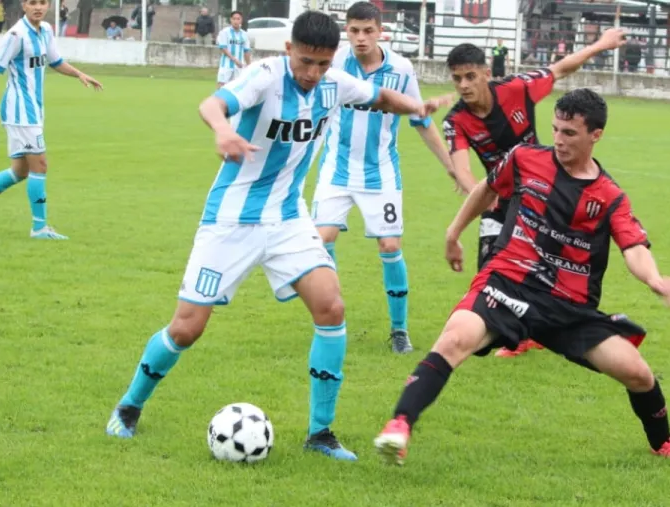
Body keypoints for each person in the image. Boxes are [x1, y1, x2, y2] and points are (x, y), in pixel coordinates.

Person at [104, 10, 449, 462]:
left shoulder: (334, 82)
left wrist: (416, 107)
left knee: (331, 307)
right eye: (305, 61)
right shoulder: (264, 76)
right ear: (289, 49)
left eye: (322, 64)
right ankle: (129, 406)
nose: (313, 73)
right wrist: (223, 131)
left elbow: (380, 96)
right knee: (187, 328)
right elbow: (212, 105)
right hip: (231, 220)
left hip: (288, 219)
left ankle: (320, 434)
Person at [374, 88, 670, 468]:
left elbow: (633, 247)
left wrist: (654, 279)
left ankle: (663, 442)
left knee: (637, 373)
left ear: (595, 135)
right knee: (454, 339)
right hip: (508, 282)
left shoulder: (609, 196)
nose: (559, 140)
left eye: (570, 133)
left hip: (567, 306)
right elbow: (486, 188)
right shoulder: (525, 158)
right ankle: (399, 425)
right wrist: (453, 233)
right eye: (556, 129)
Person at [440, 28, 625, 357]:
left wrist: (602, 44)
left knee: (546, 266)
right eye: (457, 79)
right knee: (489, 271)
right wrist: (485, 196)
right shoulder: (455, 121)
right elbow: (462, 170)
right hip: (497, 198)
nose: (464, 85)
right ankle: (505, 330)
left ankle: (532, 334)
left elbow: (561, 68)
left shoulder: (517, 89)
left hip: (542, 193)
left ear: (486, 73)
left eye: (470, 76)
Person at [312, 2, 459, 354]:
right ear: (346, 31)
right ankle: (332, 316)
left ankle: (399, 329)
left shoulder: (401, 69)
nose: (360, 38)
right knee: (321, 240)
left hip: (381, 173)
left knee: (390, 246)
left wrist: (450, 165)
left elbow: (420, 119)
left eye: (368, 31)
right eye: (354, 30)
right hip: (337, 169)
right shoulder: (334, 62)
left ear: (381, 32)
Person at [0, 0, 103, 239]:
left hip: (34, 109)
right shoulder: (16, 35)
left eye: (43, 2)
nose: (38, 7)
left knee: (21, 170)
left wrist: (79, 74)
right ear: (24, 5)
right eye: (33, 2)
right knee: (40, 165)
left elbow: (56, 61)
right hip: (20, 111)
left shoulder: (45, 30)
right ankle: (39, 228)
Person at [216, 11, 251, 88]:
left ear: (241, 20)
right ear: (231, 20)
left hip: (239, 67)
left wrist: (249, 66)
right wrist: (234, 60)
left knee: (237, 89)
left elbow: (246, 51)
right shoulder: (224, 32)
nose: (236, 21)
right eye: (234, 19)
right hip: (226, 65)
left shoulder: (244, 34)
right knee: (222, 87)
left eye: (238, 19)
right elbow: (223, 48)